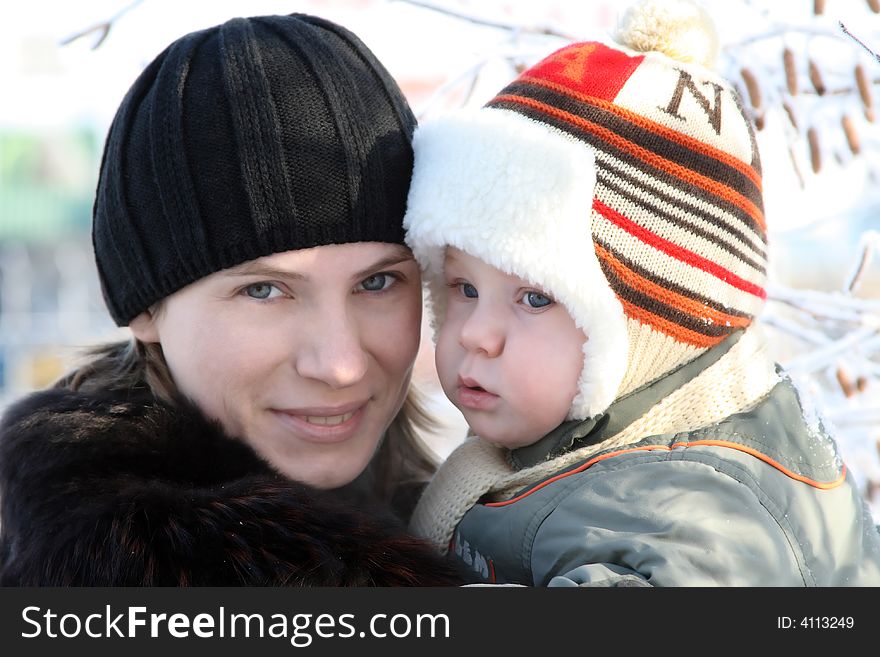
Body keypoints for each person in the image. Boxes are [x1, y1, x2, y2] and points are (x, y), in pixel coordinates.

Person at [402, 0, 880, 586]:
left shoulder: (699, 515)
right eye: (465, 287)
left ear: (654, 326)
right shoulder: (563, 448)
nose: (474, 331)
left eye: (535, 298)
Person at [0, 13, 465, 586]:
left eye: (377, 282)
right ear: (145, 307)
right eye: (264, 290)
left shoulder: (469, 519)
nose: (340, 365)